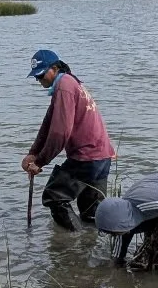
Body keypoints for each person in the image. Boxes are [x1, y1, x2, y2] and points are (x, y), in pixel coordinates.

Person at [22, 47, 117, 230]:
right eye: (36, 76)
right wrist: (33, 153)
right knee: (91, 214)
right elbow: (48, 123)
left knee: (54, 197)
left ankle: (71, 247)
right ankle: (89, 250)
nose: (38, 79)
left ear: (55, 68)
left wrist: (40, 162)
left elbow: (59, 133)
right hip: (101, 157)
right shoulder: (69, 83)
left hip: (86, 157)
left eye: (41, 75)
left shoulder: (64, 86)